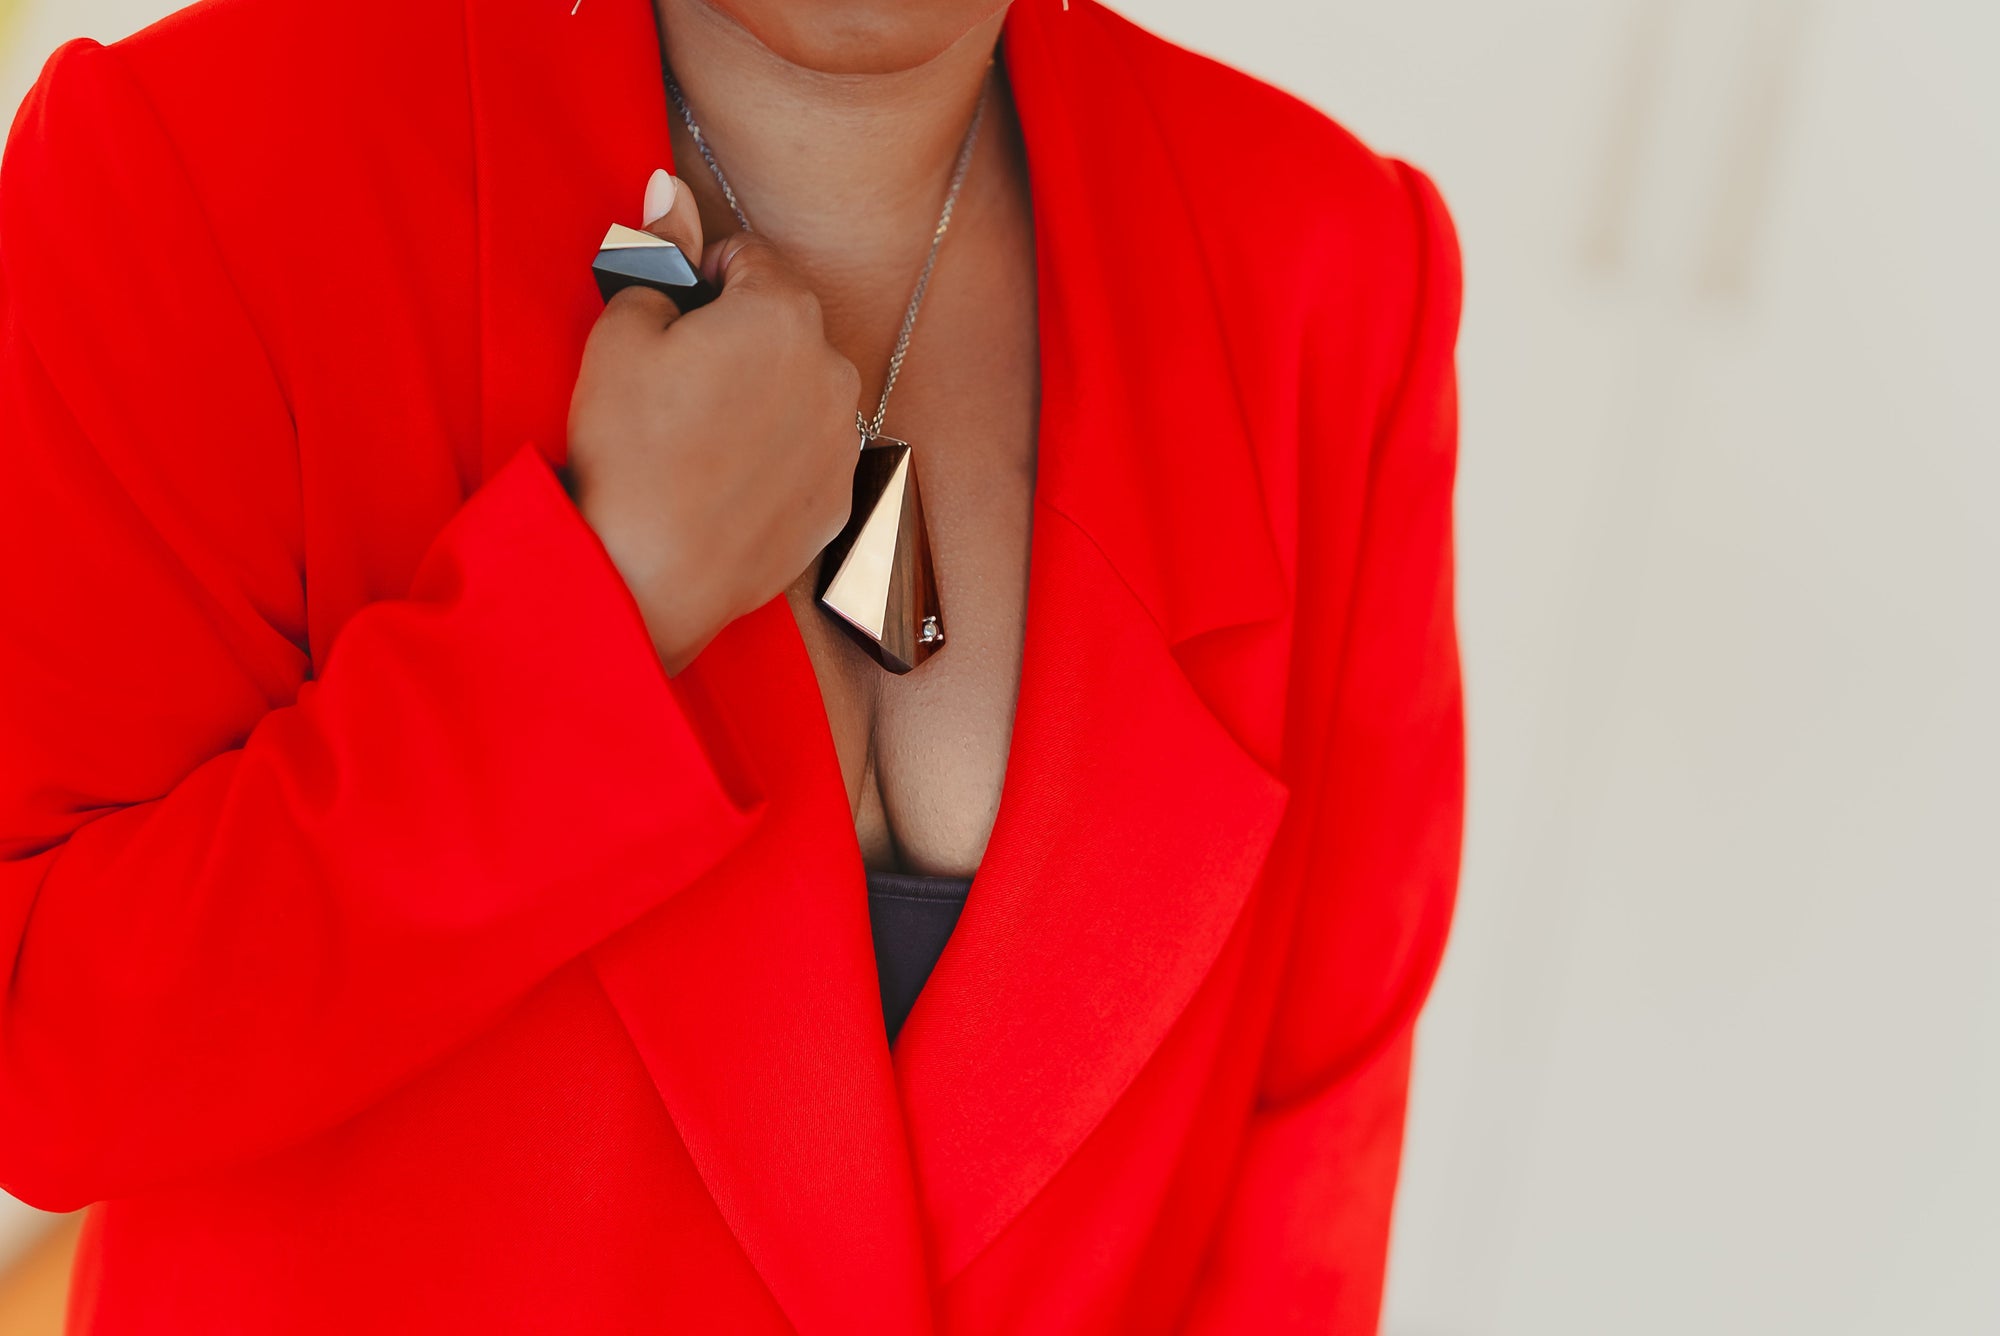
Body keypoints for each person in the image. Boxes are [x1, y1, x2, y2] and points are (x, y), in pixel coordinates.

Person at [0, 0, 1465, 1329]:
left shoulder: (1330, 280)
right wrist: (603, 612)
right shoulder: (204, 164)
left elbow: (1310, 1143)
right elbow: (42, 1052)